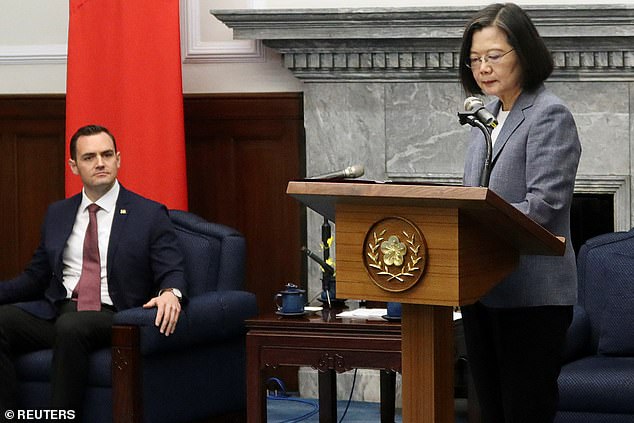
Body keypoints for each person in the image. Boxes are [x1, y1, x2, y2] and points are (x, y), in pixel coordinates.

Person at [0, 124, 187, 419]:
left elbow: (172, 269)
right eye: (89, 157)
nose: (100, 162)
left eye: (107, 154)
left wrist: (170, 293)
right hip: (59, 313)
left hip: (112, 314)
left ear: (118, 159)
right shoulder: (58, 213)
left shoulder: (148, 214)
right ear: (74, 166)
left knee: (72, 326)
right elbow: (34, 277)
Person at [458, 3, 581, 423]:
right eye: (475, 59)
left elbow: (543, 206)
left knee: (525, 412)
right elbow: (475, 195)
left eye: (493, 56)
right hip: (483, 291)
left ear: (524, 52)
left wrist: (474, 228)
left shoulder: (549, 113)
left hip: (532, 297)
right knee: (492, 412)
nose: (483, 68)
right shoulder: (485, 115)